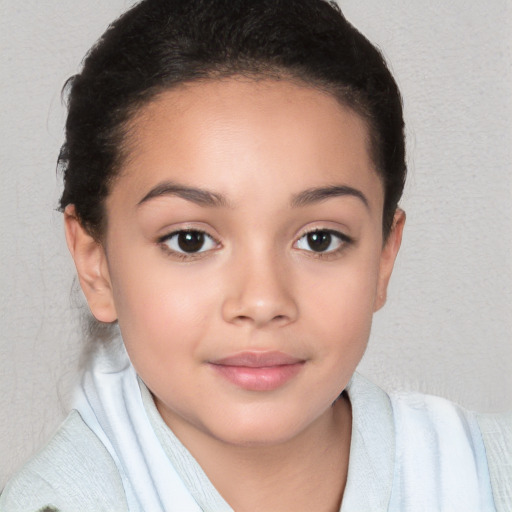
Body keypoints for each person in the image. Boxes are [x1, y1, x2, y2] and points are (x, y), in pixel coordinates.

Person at [1, 0, 510, 510]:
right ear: (96, 265)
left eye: (319, 239)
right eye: (190, 240)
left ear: (383, 257)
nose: (263, 302)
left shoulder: (489, 475)